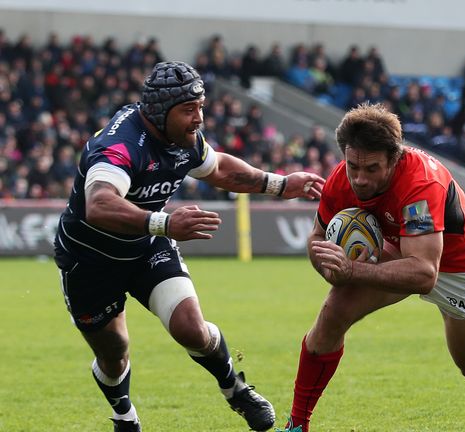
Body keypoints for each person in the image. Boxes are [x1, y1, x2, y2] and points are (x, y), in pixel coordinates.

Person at [53, 61, 325, 432]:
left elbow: (218, 169)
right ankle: (124, 416)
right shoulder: (120, 145)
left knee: (190, 328)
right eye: (188, 110)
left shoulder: (182, 137)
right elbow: (98, 204)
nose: (199, 119)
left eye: (200, 107)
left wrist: (279, 184)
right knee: (113, 352)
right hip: (89, 262)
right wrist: (165, 222)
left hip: (146, 247)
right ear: (158, 113)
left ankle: (236, 390)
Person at [279, 103, 465, 432]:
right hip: (398, 249)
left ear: (395, 159)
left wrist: (351, 271)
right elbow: (317, 238)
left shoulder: (421, 184)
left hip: (459, 266)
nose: (360, 179)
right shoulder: (341, 178)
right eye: (354, 167)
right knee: (335, 308)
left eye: (372, 169)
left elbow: (424, 274)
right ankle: (297, 425)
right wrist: (326, 265)